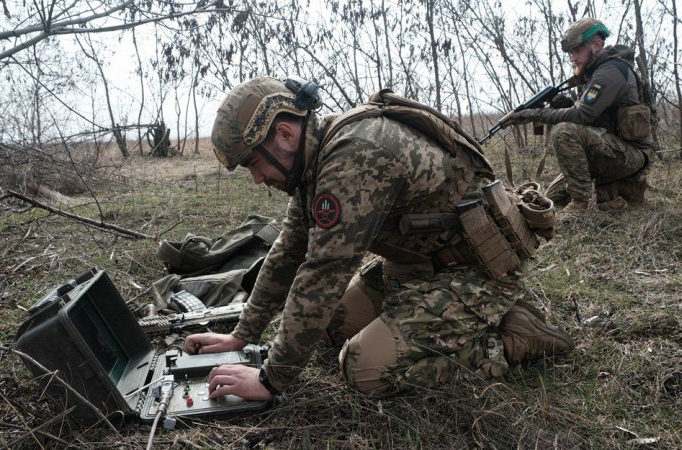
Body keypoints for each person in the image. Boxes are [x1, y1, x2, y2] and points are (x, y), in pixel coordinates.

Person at [183, 76, 574, 401]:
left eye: (254, 162)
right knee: (335, 323)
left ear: (284, 134)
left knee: (363, 369)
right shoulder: (314, 161)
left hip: (477, 271)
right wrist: (242, 334)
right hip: (422, 266)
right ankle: (457, 320)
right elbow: (289, 250)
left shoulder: (354, 154)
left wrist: (271, 380)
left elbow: (324, 271)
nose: (256, 177)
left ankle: (509, 341)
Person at [505, 17, 655, 217]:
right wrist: (565, 104)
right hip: (612, 148)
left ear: (597, 44)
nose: (573, 58)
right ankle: (623, 187)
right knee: (554, 195)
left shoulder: (610, 71)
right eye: (570, 53)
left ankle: (583, 205)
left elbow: (583, 114)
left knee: (563, 131)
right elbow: (593, 115)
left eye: (577, 51)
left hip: (633, 155)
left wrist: (535, 114)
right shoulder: (595, 72)